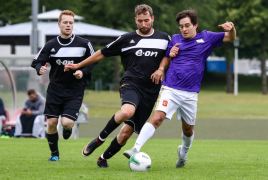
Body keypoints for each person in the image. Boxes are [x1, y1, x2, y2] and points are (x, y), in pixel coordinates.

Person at [123, 8, 236, 168]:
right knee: (157, 119)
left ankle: (182, 156)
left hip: (190, 94)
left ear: (195, 25)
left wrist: (231, 29)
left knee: (188, 131)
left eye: (187, 25)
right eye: (181, 26)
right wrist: (163, 67)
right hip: (170, 89)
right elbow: (166, 58)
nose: (183, 29)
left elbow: (230, 38)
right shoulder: (175, 39)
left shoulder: (207, 37)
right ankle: (136, 148)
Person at [65, 4, 170, 168]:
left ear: (152, 19)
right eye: (140, 21)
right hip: (131, 83)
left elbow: (170, 56)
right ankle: (99, 139)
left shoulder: (164, 38)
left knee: (126, 134)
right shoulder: (127, 39)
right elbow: (102, 53)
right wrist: (79, 65)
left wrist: (161, 68)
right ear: (135, 20)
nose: (143, 24)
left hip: (151, 91)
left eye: (147, 20)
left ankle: (102, 158)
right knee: (127, 111)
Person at [31, 10, 96, 161]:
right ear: (59, 24)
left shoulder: (84, 44)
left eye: (71, 23)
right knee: (52, 122)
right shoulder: (51, 45)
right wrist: (39, 69)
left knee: (66, 123)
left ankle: (68, 128)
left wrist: (82, 71)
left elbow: (94, 60)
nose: (68, 25)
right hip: (55, 89)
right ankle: (54, 155)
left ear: (73, 25)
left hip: (75, 90)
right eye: (65, 23)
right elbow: (38, 61)